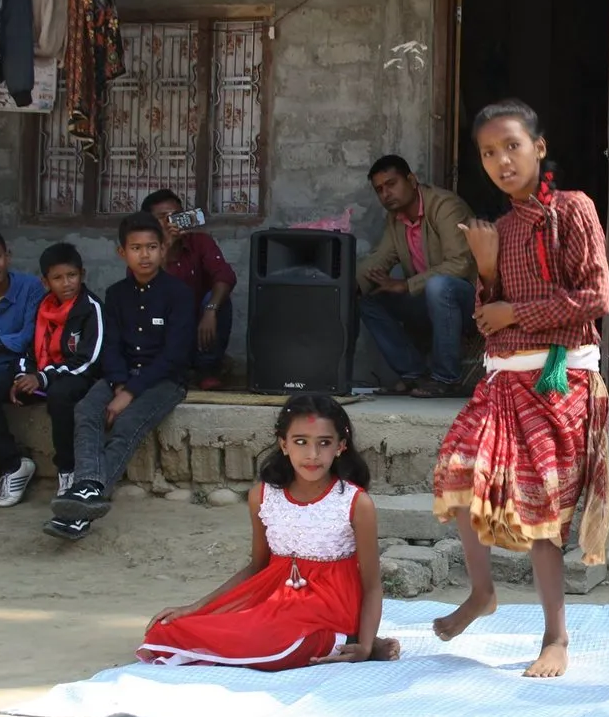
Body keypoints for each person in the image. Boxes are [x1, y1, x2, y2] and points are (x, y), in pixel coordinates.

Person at [432, 99, 609, 678]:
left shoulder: (574, 209)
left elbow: (595, 298)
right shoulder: (498, 228)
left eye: (512, 146)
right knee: (459, 470)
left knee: (541, 510)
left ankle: (555, 637)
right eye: (488, 152)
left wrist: (516, 311)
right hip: (503, 380)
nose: (501, 161)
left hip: (560, 379)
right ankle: (483, 593)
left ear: (539, 146)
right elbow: (488, 319)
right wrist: (485, 272)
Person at [138, 395, 400, 669]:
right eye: (301, 442)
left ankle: (345, 638)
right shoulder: (262, 496)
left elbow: (372, 586)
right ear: (283, 445)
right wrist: (196, 607)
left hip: (329, 608)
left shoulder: (356, 503)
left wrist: (366, 645)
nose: (312, 454)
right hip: (274, 603)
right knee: (167, 630)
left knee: (277, 645)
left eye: (324, 443)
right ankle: (324, 641)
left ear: (340, 447)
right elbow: (257, 566)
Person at [46, 213, 194, 541]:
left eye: (152, 247)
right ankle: (87, 494)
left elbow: (174, 356)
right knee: (86, 410)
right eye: (136, 247)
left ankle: (86, 495)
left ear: (162, 250)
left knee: (126, 426)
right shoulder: (115, 295)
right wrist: (117, 384)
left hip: (164, 382)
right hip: (120, 377)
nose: (145, 255)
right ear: (121, 252)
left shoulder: (178, 294)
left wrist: (131, 391)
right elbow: (110, 347)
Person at [357, 155, 477, 398]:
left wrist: (407, 284)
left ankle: (446, 379)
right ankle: (415, 374)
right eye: (379, 190)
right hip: (430, 301)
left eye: (391, 184)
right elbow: (379, 259)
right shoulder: (396, 219)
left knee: (439, 286)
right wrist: (346, 286)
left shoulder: (445, 206)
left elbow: (460, 264)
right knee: (367, 300)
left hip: (470, 303)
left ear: (412, 180)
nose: (386, 194)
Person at [10, 243, 104, 498]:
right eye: (58, 278)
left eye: (71, 276)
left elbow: (89, 359)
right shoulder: (43, 308)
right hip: (43, 375)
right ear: (45, 281)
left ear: (82, 275)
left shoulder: (90, 308)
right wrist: (22, 376)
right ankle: (11, 464)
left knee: (60, 396)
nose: (66, 283)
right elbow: (29, 349)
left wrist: (42, 378)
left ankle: (67, 470)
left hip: (79, 377)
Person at [142, 188, 237, 391]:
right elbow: (146, 293)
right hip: (165, 330)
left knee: (217, 298)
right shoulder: (143, 250)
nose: (171, 222)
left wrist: (211, 310)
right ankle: (175, 370)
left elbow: (225, 276)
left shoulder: (200, 241)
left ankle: (207, 369)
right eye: (162, 217)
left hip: (199, 326)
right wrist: (165, 249)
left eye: (175, 216)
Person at [0, 227, 43, 506]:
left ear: (8, 256)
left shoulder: (30, 287)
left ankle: (12, 464)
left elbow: (30, 334)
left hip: (20, 365)